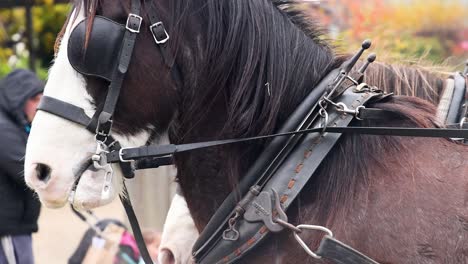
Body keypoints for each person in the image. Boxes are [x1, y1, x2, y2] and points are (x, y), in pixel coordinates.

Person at [0, 69, 43, 264]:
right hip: (8, 228)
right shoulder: (3, 129)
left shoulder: (18, 126)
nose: (40, 106)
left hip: (17, 226)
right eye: (34, 99)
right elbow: (27, 169)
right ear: (18, 101)